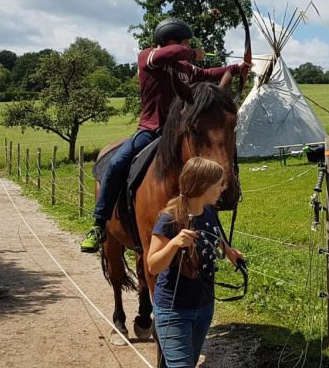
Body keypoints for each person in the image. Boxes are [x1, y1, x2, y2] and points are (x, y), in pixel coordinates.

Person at [81, 18, 250, 252]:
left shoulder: (184, 69)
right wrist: (191, 52)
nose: (187, 47)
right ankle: (99, 225)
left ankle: (211, 231)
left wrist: (234, 69)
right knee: (117, 164)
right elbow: (165, 55)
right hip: (150, 131)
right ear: (171, 42)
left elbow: (207, 73)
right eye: (184, 42)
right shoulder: (149, 58)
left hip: (179, 134)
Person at [147, 157, 244, 368]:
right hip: (174, 311)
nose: (223, 188)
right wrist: (174, 244)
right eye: (219, 184)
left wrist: (228, 251)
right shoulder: (168, 219)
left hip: (204, 307)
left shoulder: (209, 211)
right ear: (202, 186)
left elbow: (214, 234)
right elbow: (153, 266)